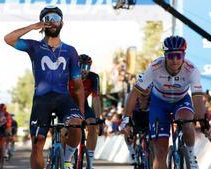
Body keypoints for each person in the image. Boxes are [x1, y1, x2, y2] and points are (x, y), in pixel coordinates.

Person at [4, 5, 85, 169]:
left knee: (76, 124)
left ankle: (68, 159)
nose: (53, 23)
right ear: (43, 23)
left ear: (62, 23)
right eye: (48, 19)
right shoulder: (34, 47)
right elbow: (9, 39)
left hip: (64, 98)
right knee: (37, 142)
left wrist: (81, 111)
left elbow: (78, 87)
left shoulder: (70, 51)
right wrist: (33, 27)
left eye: (56, 19)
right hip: (42, 100)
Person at [121, 35, 211, 169]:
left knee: (187, 121)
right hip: (159, 104)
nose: (174, 60)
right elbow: (135, 92)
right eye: (171, 56)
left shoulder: (192, 69)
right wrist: (126, 118)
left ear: (184, 55)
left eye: (178, 56)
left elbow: (197, 97)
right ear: (165, 55)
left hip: (181, 101)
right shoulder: (154, 67)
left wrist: (202, 120)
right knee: (160, 152)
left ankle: (191, 155)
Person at [68, 54, 102, 169]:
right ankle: (65, 160)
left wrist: (98, 118)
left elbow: (96, 99)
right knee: (64, 131)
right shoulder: (68, 75)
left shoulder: (94, 78)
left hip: (84, 105)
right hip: (67, 104)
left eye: (87, 68)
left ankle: (90, 163)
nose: (84, 71)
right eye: (81, 67)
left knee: (93, 126)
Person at [120, 73, 151, 164]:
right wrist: (127, 125)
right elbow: (127, 114)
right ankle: (132, 152)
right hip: (135, 115)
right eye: (143, 87)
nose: (146, 89)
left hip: (149, 115)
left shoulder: (154, 95)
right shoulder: (131, 96)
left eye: (148, 87)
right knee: (127, 130)